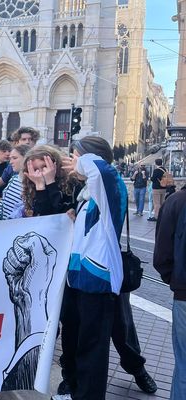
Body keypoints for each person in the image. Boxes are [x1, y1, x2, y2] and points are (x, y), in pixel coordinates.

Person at [57, 136, 127, 400]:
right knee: (76, 343)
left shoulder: (111, 184)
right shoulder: (88, 193)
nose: (73, 161)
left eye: (76, 155)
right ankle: (75, 391)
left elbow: (101, 168)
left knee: (93, 348)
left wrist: (82, 158)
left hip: (97, 281)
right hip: (79, 280)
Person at [154, 183, 186, 400]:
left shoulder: (176, 202)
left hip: (184, 296)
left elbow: (162, 255)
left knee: (184, 366)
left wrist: (176, 281)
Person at [23, 145, 80, 217]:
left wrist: (50, 182)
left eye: (44, 167)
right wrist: (40, 187)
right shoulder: (32, 186)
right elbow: (43, 215)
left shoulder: (72, 183)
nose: (41, 173)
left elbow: (59, 212)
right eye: (36, 169)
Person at [0, 127, 40, 196]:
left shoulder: (39, 160)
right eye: (24, 139)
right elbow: (4, 178)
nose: (28, 142)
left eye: (31, 139)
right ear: (17, 142)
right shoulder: (13, 162)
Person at [0, 145, 30, 221]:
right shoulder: (13, 179)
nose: (10, 162)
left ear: (26, 158)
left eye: (14, 158)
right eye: (10, 159)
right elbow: (2, 208)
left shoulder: (32, 185)